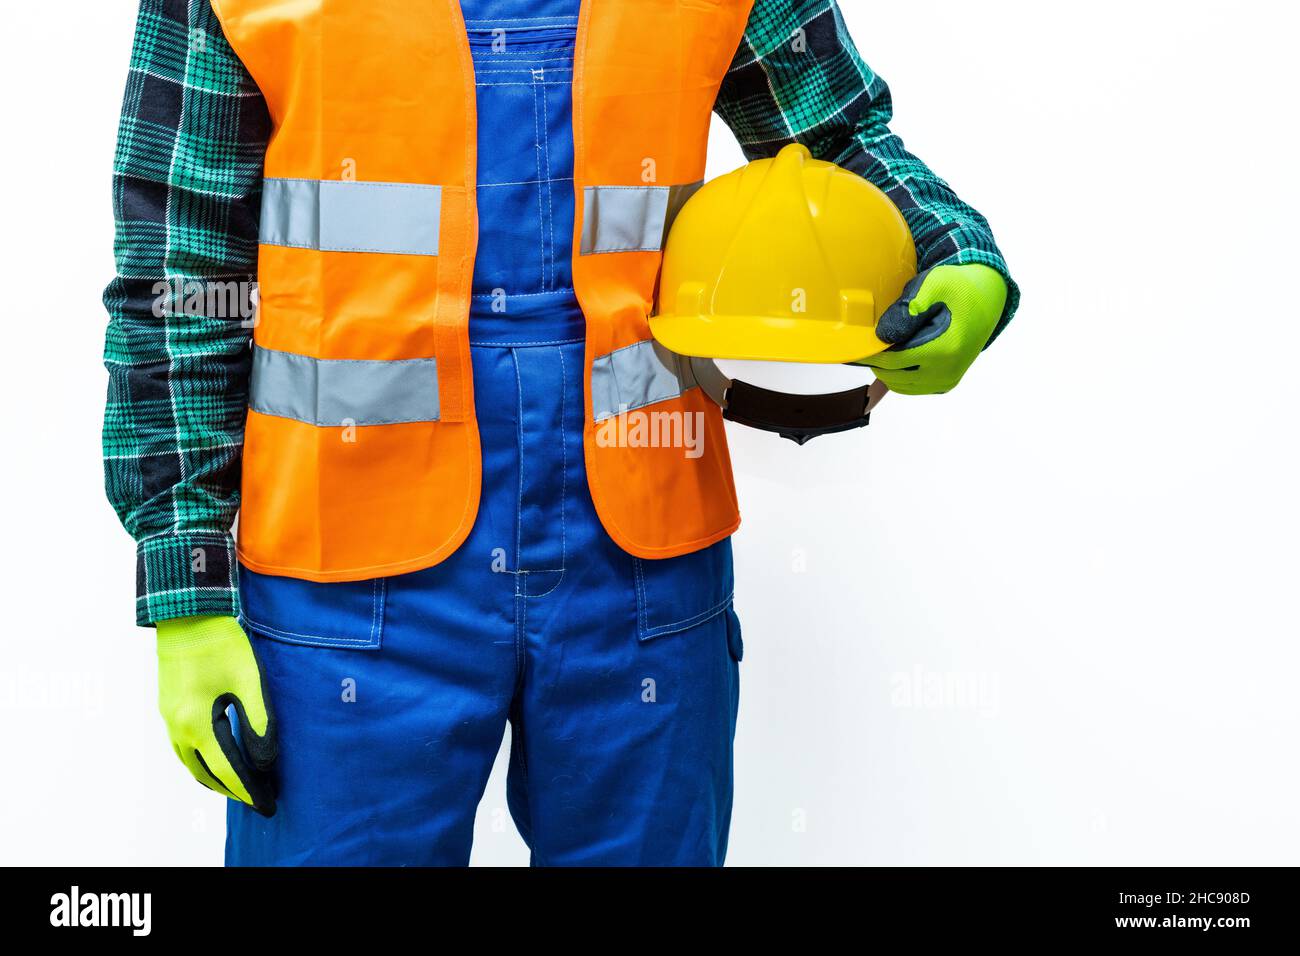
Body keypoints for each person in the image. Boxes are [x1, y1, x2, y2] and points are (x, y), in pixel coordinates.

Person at [103, 0, 1018, 866]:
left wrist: (954, 257)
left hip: (641, 574)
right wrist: (185, 592)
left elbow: (838, 143)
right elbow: (178, 270)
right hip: (342, 580)